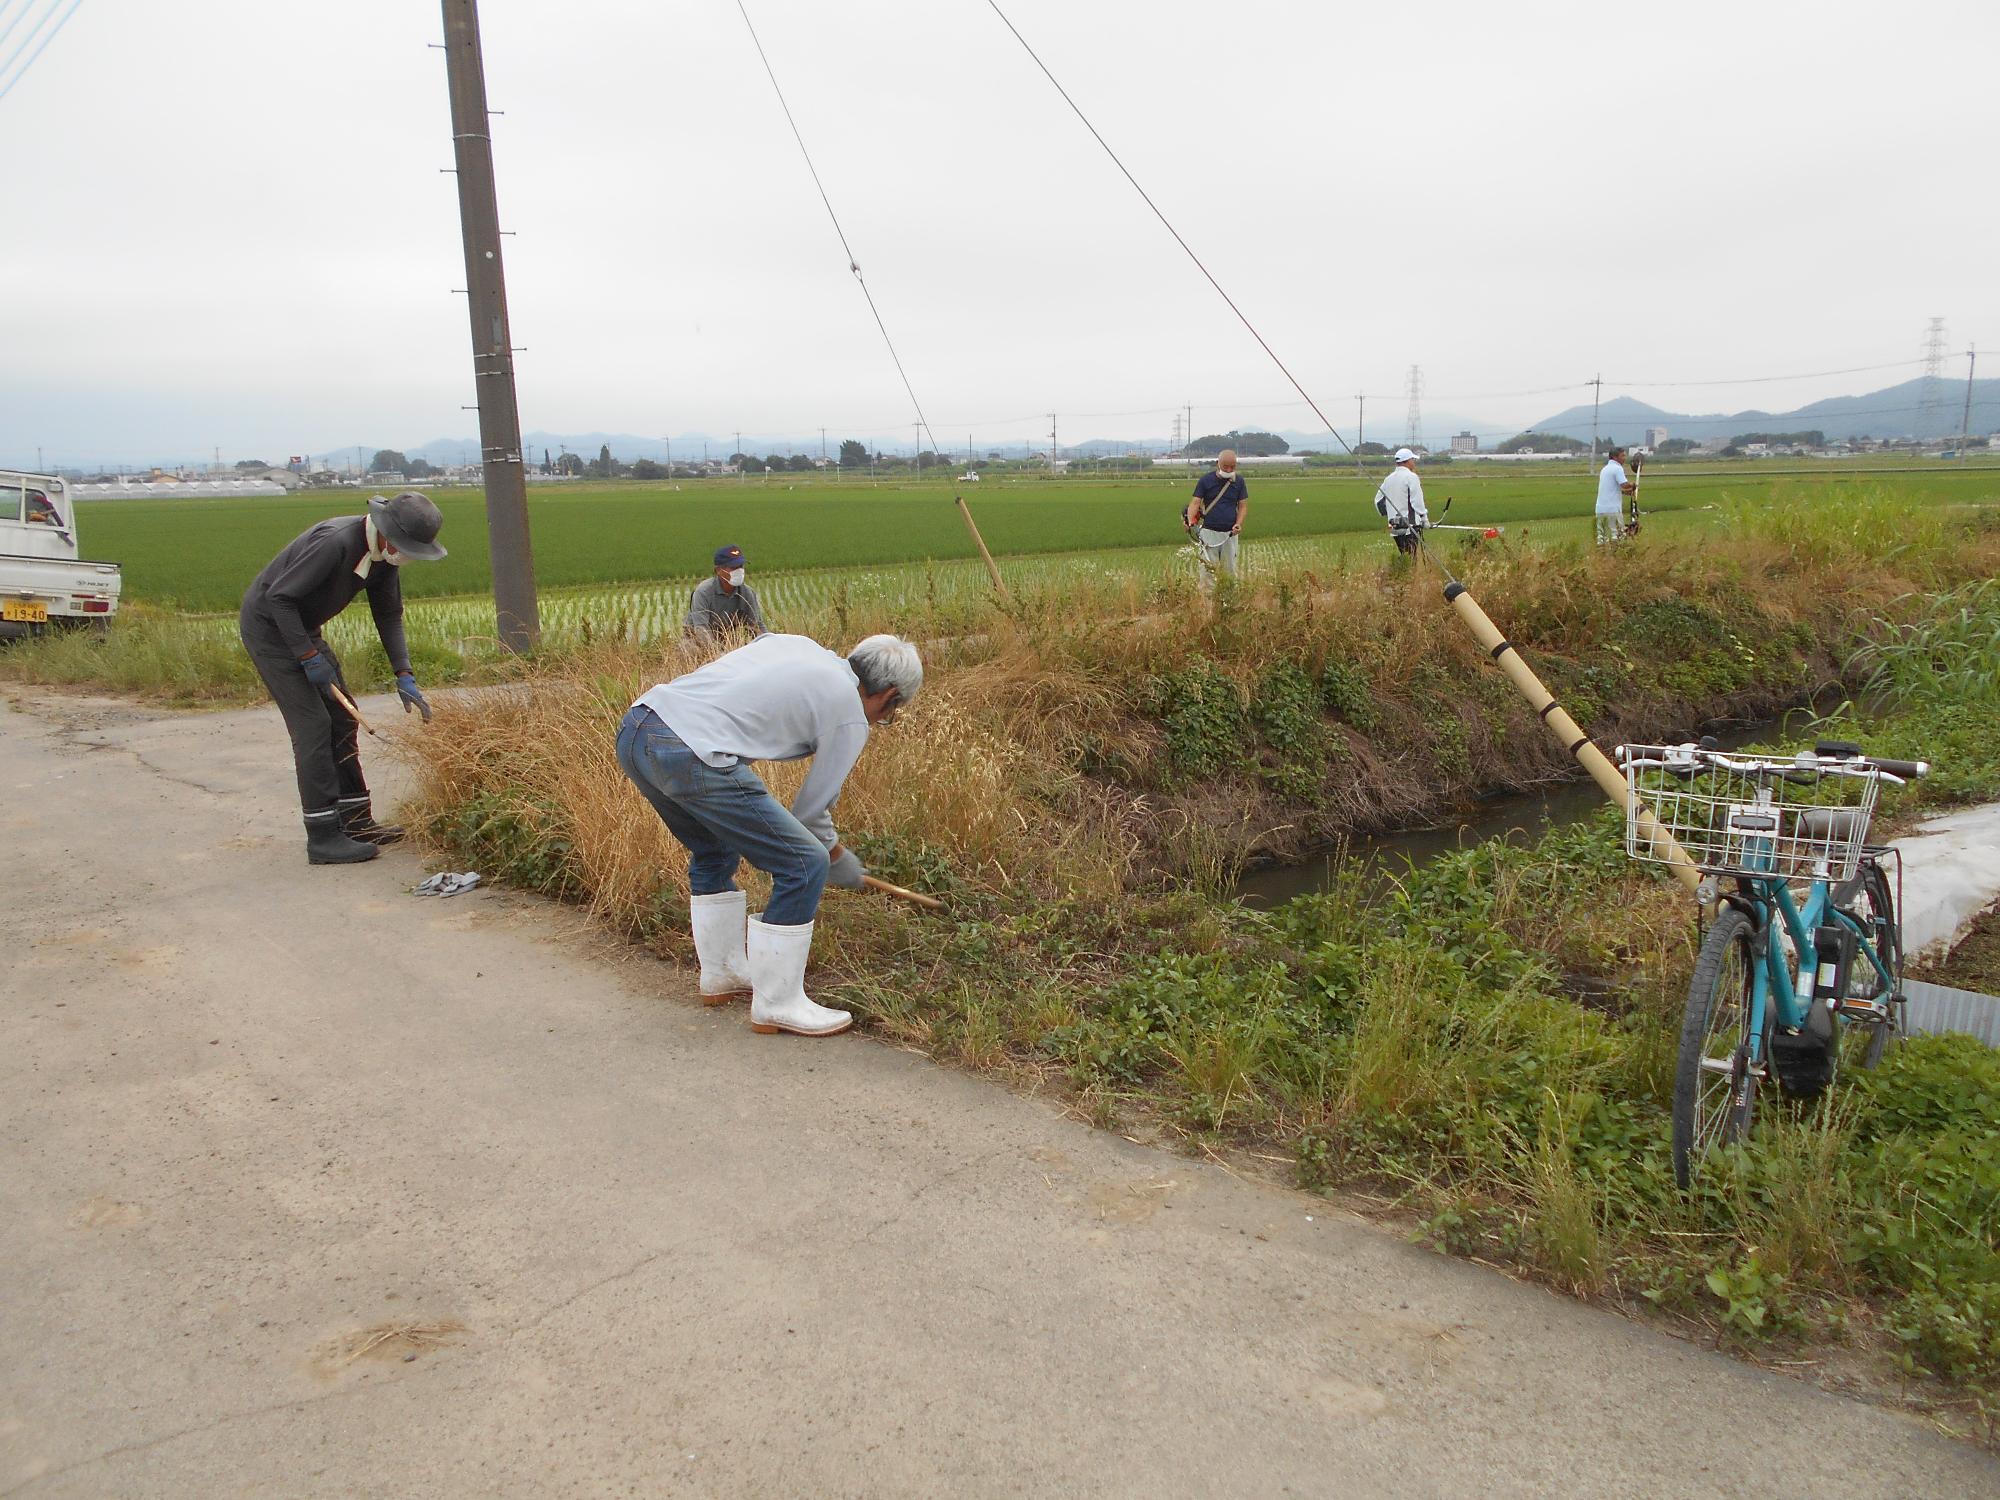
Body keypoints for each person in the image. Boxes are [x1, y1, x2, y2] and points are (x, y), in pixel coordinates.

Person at [616, 632, 923, 1038]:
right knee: (804, 863)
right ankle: (777, 1003)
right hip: (689, 752)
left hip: (639, 728)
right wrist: (835, 857)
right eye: (890, 712)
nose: (882, 718)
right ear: (889, 695)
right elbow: (811, 815)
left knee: (714, 847)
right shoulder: (849, 712)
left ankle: (723, 973)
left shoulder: (802, 647)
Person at [239, 492, 446, 864]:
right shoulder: (335, 543)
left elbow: (388, 615)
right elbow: (279, 599)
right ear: (387, 532)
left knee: (342, 718)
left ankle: (356, 821)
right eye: (406, 547)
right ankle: (322, 836)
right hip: (271, 631)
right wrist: (306, 656)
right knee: (314, 726)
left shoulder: (383, 559)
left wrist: (404, 673)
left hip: (305, 630)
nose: (407, 555)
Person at [1184, 449, 1248, 591]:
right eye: (1226, 466)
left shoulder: (1239, 482)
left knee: (1230, 571)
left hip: (1230, 534)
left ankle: (1229, 603)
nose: (1229, 469)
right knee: (1207, 572)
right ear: (1217, 463)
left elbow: (1242, 506)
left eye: (1233, 467)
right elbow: (1195, 503)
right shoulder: (1206, 481)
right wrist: (1190, 522)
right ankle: (1208, 607)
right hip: (1209, 533)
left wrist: (1238, 523)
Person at [685, 543, 767, 640]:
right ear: (718, 570)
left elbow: (757, 626)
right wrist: (717, 652)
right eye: (733, 567)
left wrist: (769, 642)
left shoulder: (747, 593)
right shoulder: (703, 592)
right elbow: (701, 630)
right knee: (691, 649)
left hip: (727, 638)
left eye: (741, 566)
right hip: (697, 639)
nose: (739, 570)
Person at [1374, 447, 1430, 555]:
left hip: (1394, 527)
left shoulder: (1388, 479)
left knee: (1404, 556)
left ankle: (1402, 571)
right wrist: (1424, 518)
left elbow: (1378, 501)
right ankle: (1409, 572)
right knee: (1411, 557)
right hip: (1410, 526)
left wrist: (1390, 514)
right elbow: (1417, 501)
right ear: (1407, 461)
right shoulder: (1411, 477)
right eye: (1412, 460)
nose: (1414, 463)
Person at [1596, 445, 1635, 544]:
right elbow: (1624, 484)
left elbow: (1610, 489)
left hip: (1600, 509)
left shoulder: (1604, 469)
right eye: (1622, 456)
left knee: (1601, 535)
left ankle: (1601, 554)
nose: (1624, 458)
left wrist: (1625, 492)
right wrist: (1633, 485)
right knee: (1617, 534)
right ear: (1615, 457)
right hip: (1612, 509)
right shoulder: (1617, 468)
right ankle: (1616, 555)